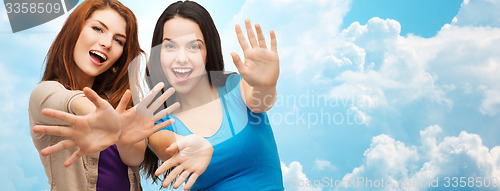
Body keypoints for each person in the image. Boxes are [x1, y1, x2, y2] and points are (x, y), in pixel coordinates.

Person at [28, 0, 179, 190]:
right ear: (74, 30)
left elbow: (134, 158)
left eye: (118, 40)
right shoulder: (44, 93)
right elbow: (72, 102)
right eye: (98, 29)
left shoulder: (122, 105)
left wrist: (121, 133)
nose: (107, 43)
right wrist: (104, 119)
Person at [142, 1, 284, 190]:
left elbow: (260, 100)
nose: (181, 58)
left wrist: (266, 85)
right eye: (170, 47)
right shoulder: (158, 117)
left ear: (208, 51)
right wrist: (186, 145)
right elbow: (165, 142)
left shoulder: (234, 87)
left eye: (193, 47)